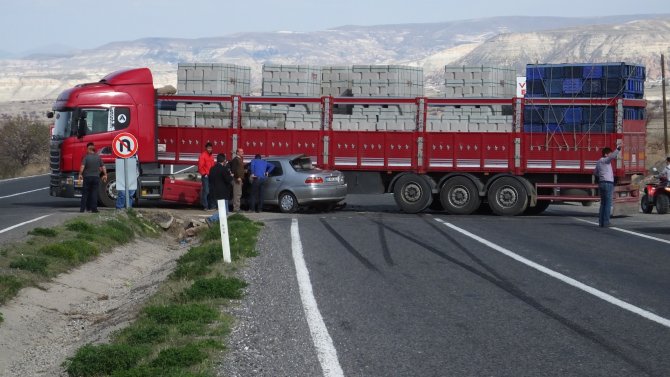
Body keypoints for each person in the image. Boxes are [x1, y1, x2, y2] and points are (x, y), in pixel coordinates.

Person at [593, 143, 621, 227]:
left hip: (601, 183)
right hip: (607, 183)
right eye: (609, 154)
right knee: (608, 203)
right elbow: (612, 157)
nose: (611, 155)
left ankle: (601, 222)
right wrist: (618, 149)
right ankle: (606, 222)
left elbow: (595, 172)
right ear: (606, 154)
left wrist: (601, 176)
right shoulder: (604, 160)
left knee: (603, 203)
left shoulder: (598, 162)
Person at [78, 142, 107, 213]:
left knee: (85, 193)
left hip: (87, 177)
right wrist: (105, 174)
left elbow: (82, 167)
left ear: (88, 149)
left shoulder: (86, 157)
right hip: (96, 177)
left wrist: (80, 174)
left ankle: (82, 209)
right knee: (94, 193)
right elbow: (103, 166)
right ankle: (94, 209)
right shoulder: (98, 157)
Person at [207, 153, 233, 224]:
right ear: (224, 160)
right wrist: (231, 175)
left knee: (222, 210)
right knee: (224, 212)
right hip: (223, 193)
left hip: (214, 191)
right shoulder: (224, 169)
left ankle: (217, 224)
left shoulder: (212, 169)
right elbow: (228, 180)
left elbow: (210, 179)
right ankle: (211, 219)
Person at [198, 142, 216, 210]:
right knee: (206, 191)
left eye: (211, 148)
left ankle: (210, 206)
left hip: (211, 176)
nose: (210, 149)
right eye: (208, 148)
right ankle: (205, 206)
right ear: (206, 148)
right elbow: (200, 166)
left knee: (211, 191)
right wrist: (204, 174)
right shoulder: (203, 155)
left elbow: (213, 166)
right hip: (206, 176)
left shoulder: (211, 156)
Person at [229, 148, 245, 212]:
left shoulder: (240, 159)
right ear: (237, 153)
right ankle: (236, 208)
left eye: (242, 151)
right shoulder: (236, 160)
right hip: (237, 179)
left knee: (239, 194)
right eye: (241, 151)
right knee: (237, 194)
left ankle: (237, 207)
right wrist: (237, 177)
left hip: (239, 179)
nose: (242, 153)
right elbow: (234, 169)